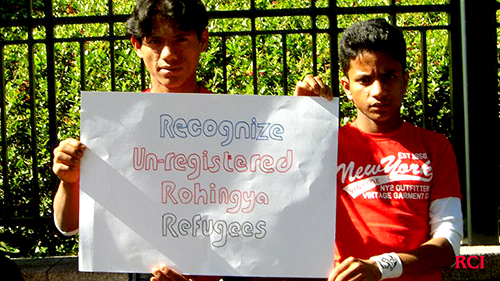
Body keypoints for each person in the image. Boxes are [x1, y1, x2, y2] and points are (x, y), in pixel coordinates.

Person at [52, 0, 329, 280]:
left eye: (181, 39)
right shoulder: (114, 129)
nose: (169, 54)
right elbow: (68, 225)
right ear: (137, 46)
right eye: (155, 42)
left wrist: (300, 118)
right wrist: (69, 179)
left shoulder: (238, 126)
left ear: (203, 41)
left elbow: (281, 196)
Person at [296, 19, 463, 281]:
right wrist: (298, 119)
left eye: (390, 76)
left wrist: (381, 267)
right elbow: (278, 198)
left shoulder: (436, 146)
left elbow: (448, 243)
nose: (379, 91)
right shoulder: (324, 146)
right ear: (346, 87)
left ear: (405, 80)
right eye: (365, 80)